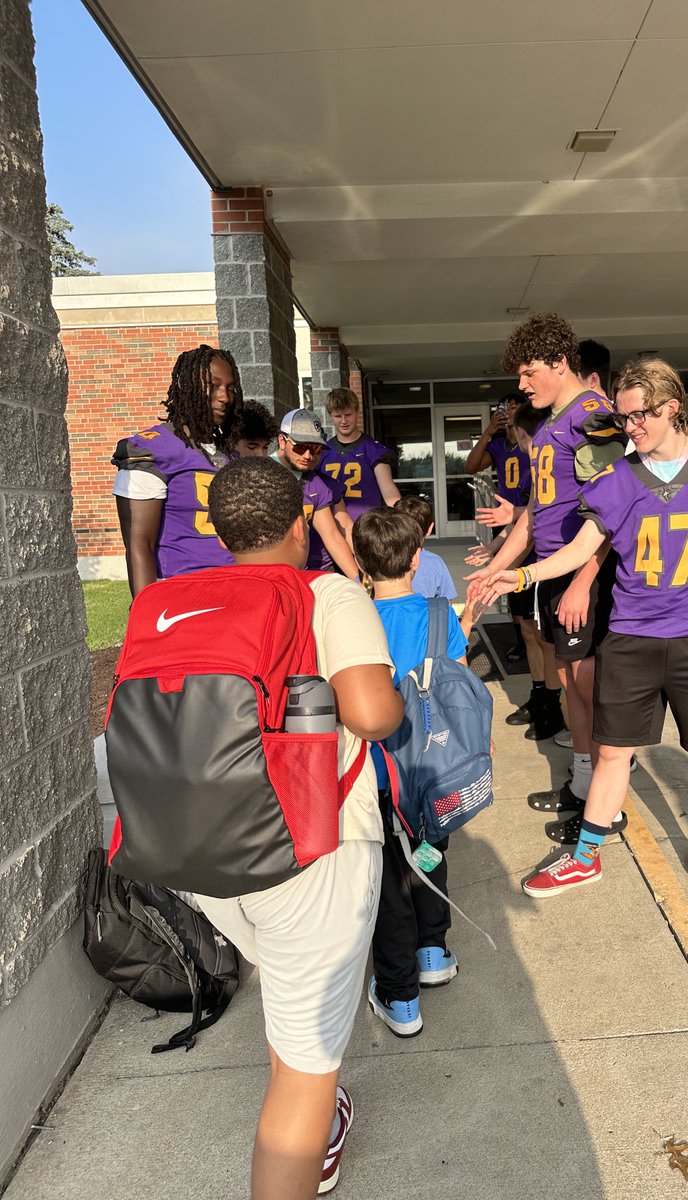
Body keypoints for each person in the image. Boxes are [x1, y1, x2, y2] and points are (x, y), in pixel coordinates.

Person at [475, 358, 688, 905]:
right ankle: (585, 858)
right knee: (613, 751)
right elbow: (581, 549)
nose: (630, 427)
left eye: (639, 415)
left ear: (672, 408)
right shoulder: (616, 479)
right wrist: (521, 575)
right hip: (632, 636)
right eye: (623, 419)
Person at [199, 455, 403, 1200]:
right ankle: (309, 1139)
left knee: (289, 1008)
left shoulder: (186, 596)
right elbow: (372, 716)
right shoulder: (327, 593)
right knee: (304, 1075)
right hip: (308, 849)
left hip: (204, 849)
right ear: (299, 526)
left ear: (220, 533)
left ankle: (322, 1118)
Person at [466, 314, 627, 818]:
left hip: (587, 574)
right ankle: (583, 782)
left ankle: (605, 801)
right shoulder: (551, 422)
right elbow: (536, 515)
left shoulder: (593, 416)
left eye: (529, 371)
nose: (522, 384)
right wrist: (497, 565)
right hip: (555, 571)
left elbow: (614, 511)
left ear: (560, 363)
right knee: (569, 678)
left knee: (588, 684)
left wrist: (583, 581)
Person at [352, 507, 469, 1038]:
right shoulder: (441, 616)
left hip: (375, 775)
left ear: (360, 563)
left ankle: (399, 995)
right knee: (430, 854)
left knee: (388, 884)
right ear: (418, 559)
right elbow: (460, 691)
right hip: (431, 769)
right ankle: (433, 952)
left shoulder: (353, 620)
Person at [112, 344, 243, 596]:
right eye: (213, 386)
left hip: (235, 585)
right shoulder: (154, 449)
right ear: (188, 386)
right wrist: (146, 609)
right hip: (183, 590)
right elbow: (139, 544)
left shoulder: (229, 452)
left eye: (230, 388)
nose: (225, 397)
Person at [470, 402, 565, 742]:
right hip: (523, 560)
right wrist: (494, 549)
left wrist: (509, 526)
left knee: (545, 636)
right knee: (528, 630)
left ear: (523, 431)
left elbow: (530, 520)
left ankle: (553, 703)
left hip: (547, 561)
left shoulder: (553, 464)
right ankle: (539, 694)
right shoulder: (530, 469)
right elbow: (522, 522)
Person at [464, 395, 531, 662]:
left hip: (527, 516)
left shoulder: (531, 442)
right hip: (504, 520)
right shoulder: (498, 445)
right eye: (505, 409)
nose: (509, 413)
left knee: (526, 578)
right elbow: (470, 466)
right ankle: (521, 638)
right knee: (507, 582)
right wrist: (488, 431)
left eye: (514, 408)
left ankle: (531, 634)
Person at [273, 409, 358, 578]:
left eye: (315, 449)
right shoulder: (258, 474)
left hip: (312, 574)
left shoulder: (317, 483)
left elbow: (332, 535)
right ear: (282, 441)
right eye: (300, 447)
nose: (308, 455)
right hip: (269, 575)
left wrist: (360, 582)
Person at [318, 387, 400, 518]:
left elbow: (389, 492)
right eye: (338, 416)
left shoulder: (374, 451)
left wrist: (401, 520)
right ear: (330, 416)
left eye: (348, 415)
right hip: (331, 525)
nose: (343, 421)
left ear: (357, 412)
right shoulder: (321, 452)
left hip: (367, 525)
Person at [395, 494, 457, 600]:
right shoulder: (435, 562)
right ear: (430, 529)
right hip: (426, 611)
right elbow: (445, 603)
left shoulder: (382, 557)